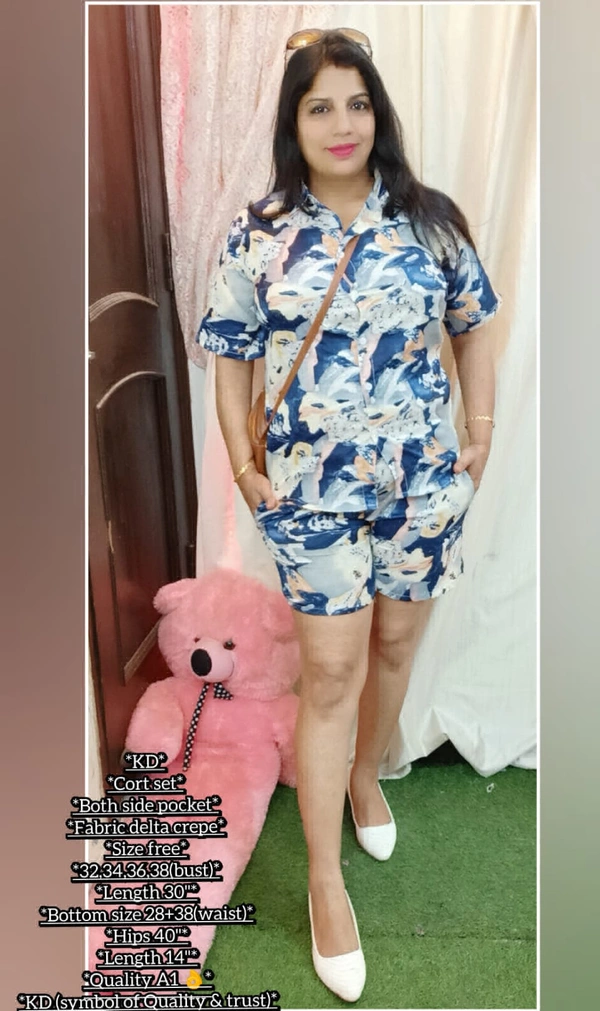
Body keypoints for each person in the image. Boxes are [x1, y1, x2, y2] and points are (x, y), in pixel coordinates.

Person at [196, 28, 501, 1003]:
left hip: (419, 489)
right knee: (331, 673)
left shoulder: (430, 222)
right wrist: (245, 467)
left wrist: (480, 431)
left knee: (396, 649)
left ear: (379, 113)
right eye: (319, 105)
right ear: (293, 122)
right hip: (312, 496)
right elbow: (230, 355)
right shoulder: (259, 234)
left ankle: (369, 772)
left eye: (356, 103)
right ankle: (326, 882)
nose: (341, 123)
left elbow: (473, 323)